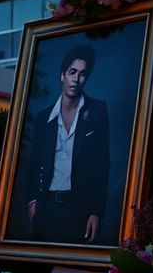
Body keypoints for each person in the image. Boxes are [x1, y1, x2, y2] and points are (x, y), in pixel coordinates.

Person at [25, 44, 110, 244]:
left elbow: (102, 165)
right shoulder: (43, 117)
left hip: (79, 209)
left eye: (82, 74)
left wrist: (97, 212)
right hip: (45, 208)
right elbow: (34, 163)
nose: (76, 79)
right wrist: (32, 201)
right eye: (72, 72)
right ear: (62, 75)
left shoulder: (97, 110)